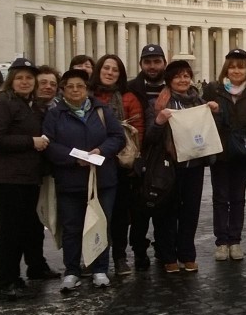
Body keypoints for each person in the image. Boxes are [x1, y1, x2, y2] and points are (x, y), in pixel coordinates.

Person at [43, 69, 125, 291]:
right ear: (64, 90)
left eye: (80, 86)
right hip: (70, 179)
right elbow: (49, 145)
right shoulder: (55, 114)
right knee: (72, 227)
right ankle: (72, 271)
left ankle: (100, 269)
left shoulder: (101, 110)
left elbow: (118, 137)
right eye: (70, 86)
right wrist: (74, 157)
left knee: (100, 223)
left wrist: (101, 150)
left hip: (102, 179)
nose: (76, 90)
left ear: (87, 89)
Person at [0, 58, 54, 300]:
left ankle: (28, 271)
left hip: (27, 177)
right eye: (20, 78)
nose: (25, 82)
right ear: (11, 81)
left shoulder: (28, 104)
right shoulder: (2, 103)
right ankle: (6, 281)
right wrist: (31, 142)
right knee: (8, 232)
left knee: (28, 227)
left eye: (29, 78)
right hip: (8, 178)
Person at [145, 60, 218, 273]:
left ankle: (187, 253)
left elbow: (210, 131)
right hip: (168, 165)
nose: (183, 80)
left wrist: (214, 112)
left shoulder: (199, 102)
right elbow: (149, 137)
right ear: (169, 80)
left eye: (186, 75)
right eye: (178, 76)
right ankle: (167, 254)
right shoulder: (157, 103)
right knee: (167, 211)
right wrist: (159, 121)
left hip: (193, 165)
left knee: (190, 211)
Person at [89, 54, 144, 275]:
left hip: (121, 164)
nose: (110, 73)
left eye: (115, 70)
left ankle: (119, 257)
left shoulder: (129, 97)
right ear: (99, 70)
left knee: (120, 213)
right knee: (94, 213)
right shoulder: (87, 95)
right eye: (106, 68)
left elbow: (138, 129)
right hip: (93, 162)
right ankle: (93, 257)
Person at [203, 48, 246, 262]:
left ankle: (235, 240)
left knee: (238, 198)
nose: (236, 71)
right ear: (226, 69)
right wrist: (215, 112)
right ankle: (221, 242)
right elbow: (203, 119)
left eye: (240, 67)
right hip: (220, 150)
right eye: (232, 67)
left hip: (242, 150)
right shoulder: (212, 90)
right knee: (220, 198)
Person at [127, 44, 167, 270]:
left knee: (165, 203)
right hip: (140, 153)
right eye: (148, 62)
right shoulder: (131, 88)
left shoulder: (172, 87)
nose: (152, 66)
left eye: (156, 61)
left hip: (165, 154)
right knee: (139, 207)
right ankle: (139, 250)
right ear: (141, 64)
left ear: (164, 63)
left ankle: (163, 247)